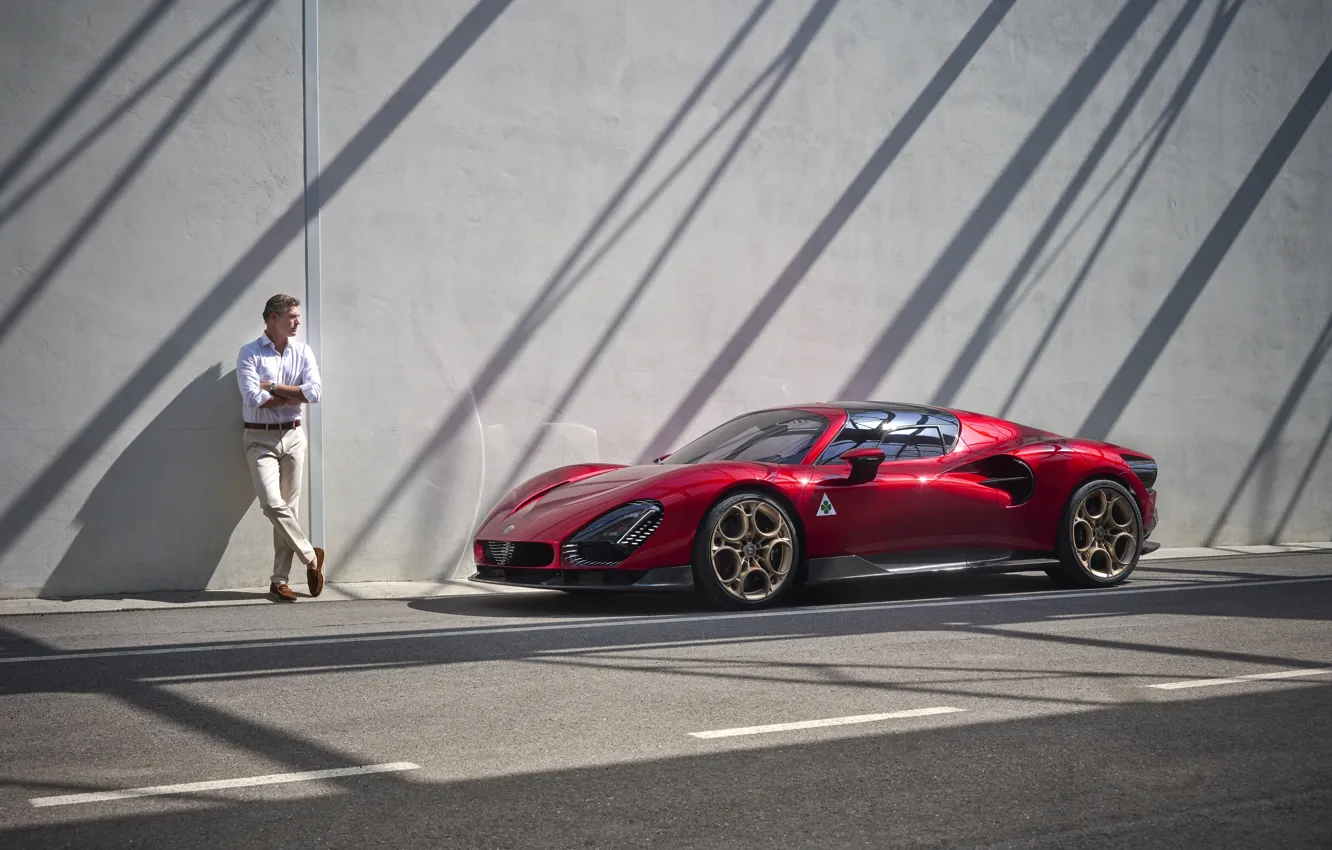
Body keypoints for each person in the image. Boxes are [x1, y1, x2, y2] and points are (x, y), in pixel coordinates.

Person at [236, 293, 325, 602]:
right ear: (273, 318)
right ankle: (310, 557)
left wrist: (271, 387)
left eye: (297, 315)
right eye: (292, 316)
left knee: (291, 506)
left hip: (295, 437)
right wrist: (293, 394)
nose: (298, 321)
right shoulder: (249, 353)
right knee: (272, 504)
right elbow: (252, 398)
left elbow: (313, 393)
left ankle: (279, 581)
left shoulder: (303, 352)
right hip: (259, 438)